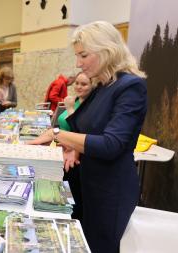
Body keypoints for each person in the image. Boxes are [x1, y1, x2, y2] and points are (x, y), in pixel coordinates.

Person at [41, 21, 147, 253]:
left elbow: (111, 144)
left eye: (84, 55)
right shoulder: (102, 85)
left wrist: (59, 134)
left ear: (106, 50)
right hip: (88, 184)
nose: (78, 63)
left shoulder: (130, 87)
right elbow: (85, 126)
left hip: (110, 191)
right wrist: (75, 147)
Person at [27, 72, 94, 221]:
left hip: (75, 160)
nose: (79, 87)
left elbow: (81, 132)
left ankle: (74, 222)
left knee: (73, 198)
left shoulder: (89, 106)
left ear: (93, 86)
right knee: (63, 193)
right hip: (63, 155)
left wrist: (70, 110)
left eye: (84, 84)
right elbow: (60, 130)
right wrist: (49, 137)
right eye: (77, 83)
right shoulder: (75, 100)